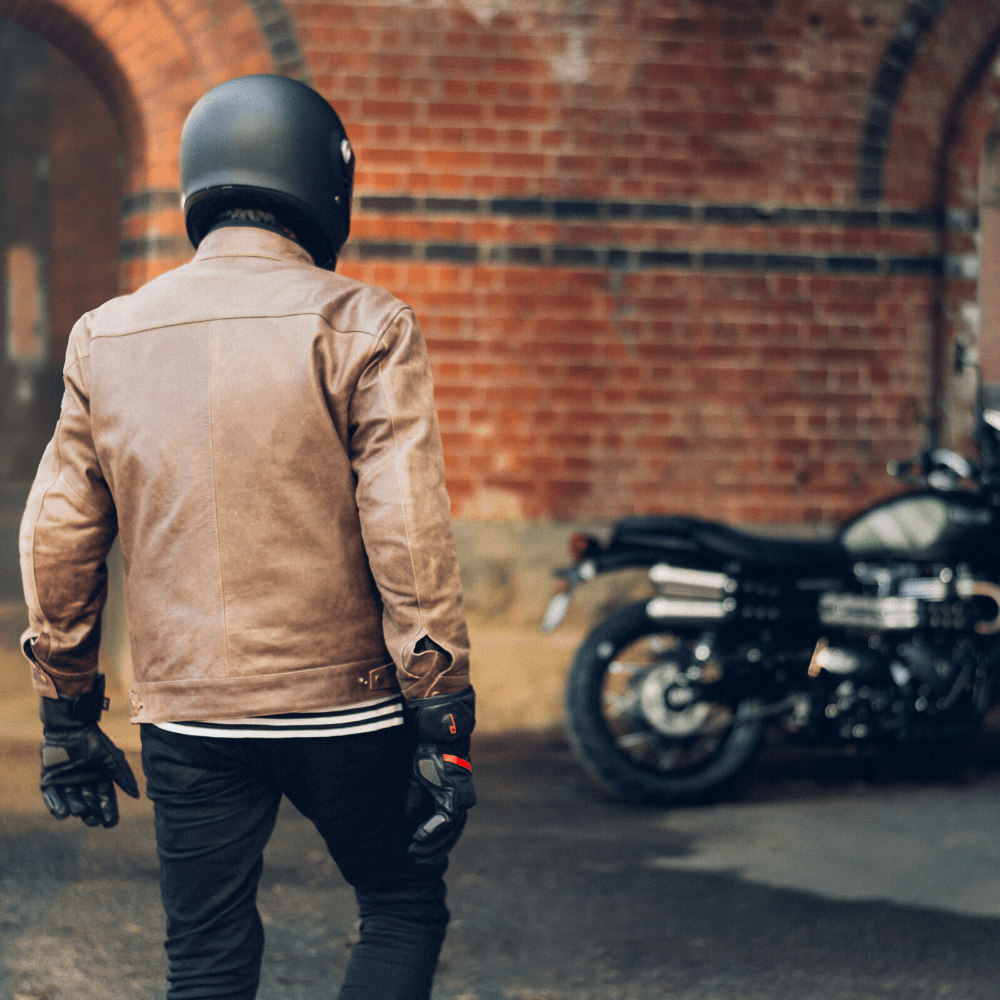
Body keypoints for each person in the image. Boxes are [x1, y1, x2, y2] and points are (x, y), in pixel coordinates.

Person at [19, 73, 475, 1000]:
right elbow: (409, 532)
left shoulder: (104, 337)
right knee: (398, 903)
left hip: (187, 715)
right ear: (321, 181)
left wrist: (66, 714)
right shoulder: (364, 323)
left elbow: (58, 537)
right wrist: (443, 715)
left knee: (207, 959)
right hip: (344, 706)